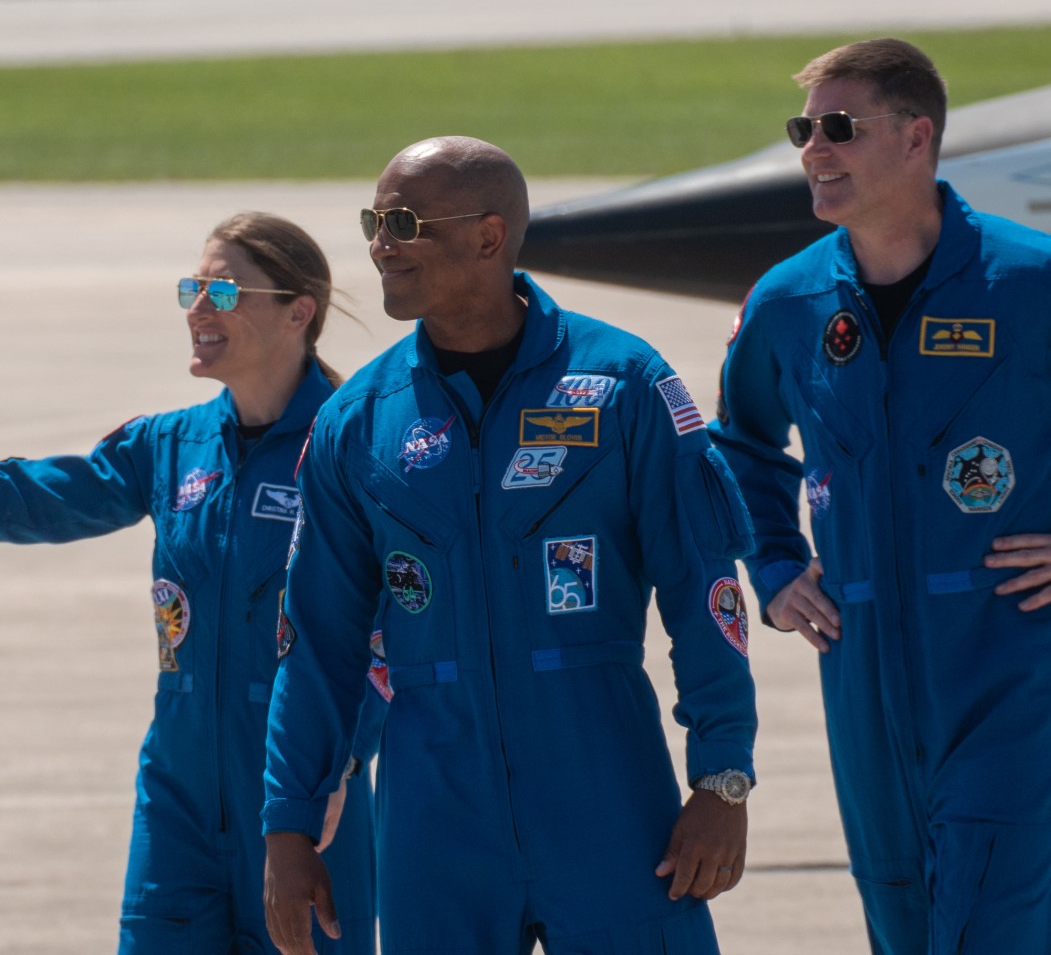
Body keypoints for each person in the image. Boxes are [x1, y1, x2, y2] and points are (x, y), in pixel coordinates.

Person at [0, 211, 383, 953]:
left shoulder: (353, 450)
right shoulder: (170, 445)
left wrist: (341, 762)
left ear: (297, 312)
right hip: (177, 803)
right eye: (192, 288)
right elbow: (39, 498)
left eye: (224, 291)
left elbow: (392, 626)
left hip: (304, 801)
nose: (198, 310)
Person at [262, 137, 758, 955]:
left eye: (403, 222)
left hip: (605, 791)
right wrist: (287, 824)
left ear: (490, 237)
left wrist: (721, 777)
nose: (380, 245)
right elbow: (317, 639)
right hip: (435, 807)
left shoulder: (623, 385)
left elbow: (703, 590)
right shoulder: (358, 420)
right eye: (373, 222)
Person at [712, 37, 1051, 954]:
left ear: (917, 138)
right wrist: (778, 564)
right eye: (804, 129)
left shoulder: (1041, 281)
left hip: (1008, 661)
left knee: (994, 929)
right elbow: (741, 444)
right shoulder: (789, 301)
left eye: (839, 127)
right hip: (861, 667)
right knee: (903, 929)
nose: (812, 151)